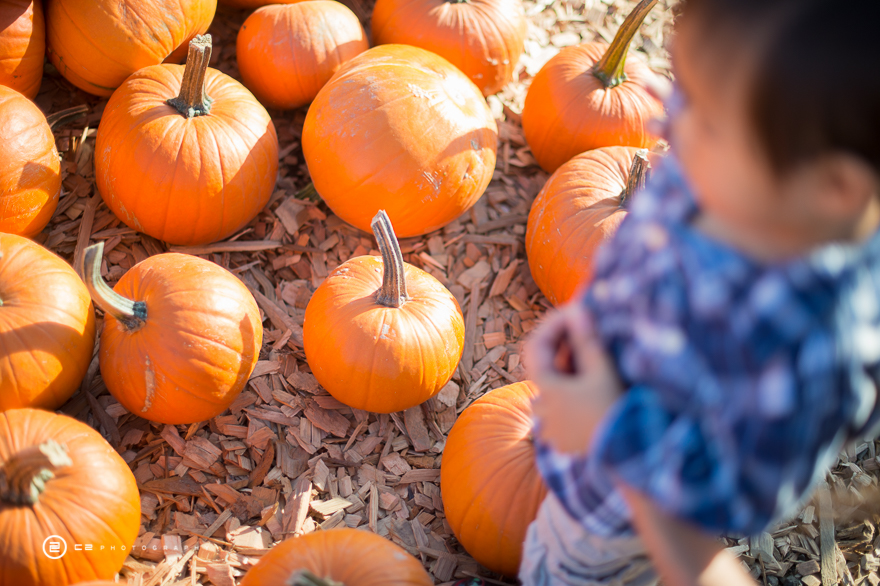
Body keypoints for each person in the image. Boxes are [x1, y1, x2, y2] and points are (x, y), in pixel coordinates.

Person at [520, 0, 880, 584]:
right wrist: (595, 313)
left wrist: (607, 428)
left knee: (559, 567)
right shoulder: (735, 171)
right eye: (680, 89)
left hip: (614, 526)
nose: (666, 125)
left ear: (833, 187)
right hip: (588, 425)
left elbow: (729, 496)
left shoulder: (809, 353)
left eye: (705, 117)